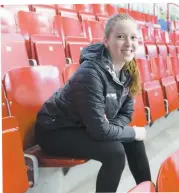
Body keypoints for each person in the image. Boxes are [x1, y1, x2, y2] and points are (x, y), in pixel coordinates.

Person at [34, 13, 151, 193]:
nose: (129, 43)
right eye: (120, 37)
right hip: (55, 131)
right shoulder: (90, 73)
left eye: (133, 37)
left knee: (133, 142)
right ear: (106, 40)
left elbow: (125, 114)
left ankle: (149, 189)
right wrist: (127, 131)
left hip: (84, 126)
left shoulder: (128, 69)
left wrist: (112, 128)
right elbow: (99, 130)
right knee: (116, 152)